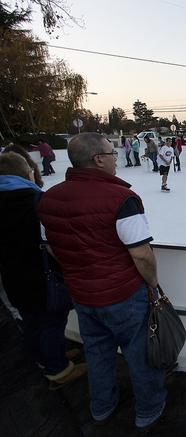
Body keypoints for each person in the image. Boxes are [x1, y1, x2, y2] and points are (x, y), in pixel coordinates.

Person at [37, 133, 167, 429]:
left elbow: (53, 247)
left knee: (97, 353)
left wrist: (79, 270)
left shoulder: (49, 197)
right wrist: (152, 284)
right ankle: (149, 409)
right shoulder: (121, 198)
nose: (115, 159)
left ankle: (101, 406)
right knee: (139, 354)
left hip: (82, 294)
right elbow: (142, 254)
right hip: (122, 295)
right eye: (112, 154)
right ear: (98, 159)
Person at [0, 152, 87, 388]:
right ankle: (58, 371)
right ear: (28, 173)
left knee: (30, 321)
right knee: (51, 321)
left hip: (11, 276)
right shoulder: (36, 200)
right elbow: (53, 242)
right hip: (41, 275)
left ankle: (45, 358)